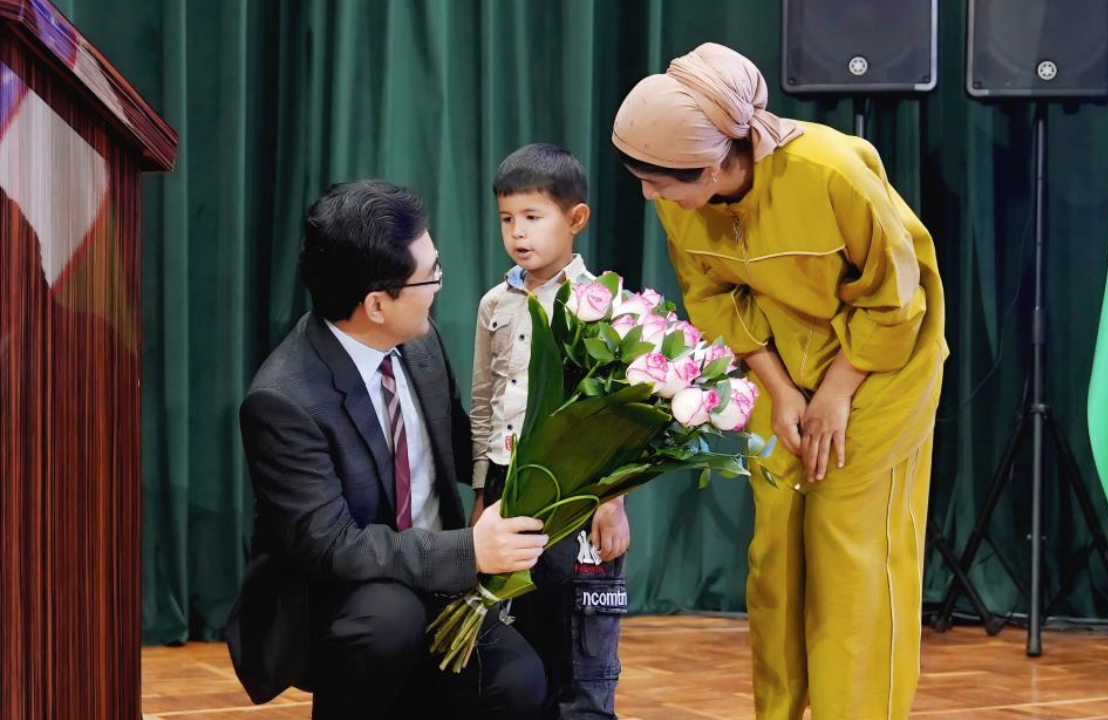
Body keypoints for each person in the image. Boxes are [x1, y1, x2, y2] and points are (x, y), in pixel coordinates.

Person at [612, 43, 948, 720]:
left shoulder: (832, 170)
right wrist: (785, 390)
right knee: (778, 550)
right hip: (782, 368)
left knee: (852, 557)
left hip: (880, 368)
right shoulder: (681, 198)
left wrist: (835, 394)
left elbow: (895, 299)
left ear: (712, 164)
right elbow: (712, 297)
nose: (649, 196)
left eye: (658, 182)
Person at [226, 179, 549, 720]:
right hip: (340, 599)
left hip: (435, 575)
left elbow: (458, 439)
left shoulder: (418, 340)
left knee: (519, 683)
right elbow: (334, 548)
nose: (440, 285)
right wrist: (469, 551)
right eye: (431, 275)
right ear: (377, 303)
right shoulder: (282, 400)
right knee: (389, 618)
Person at [469, 144, 629, 719]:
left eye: (533, 217)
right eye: (507, 219)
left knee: (583, 638)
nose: (518, 233)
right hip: (512, 484)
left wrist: (610, 500)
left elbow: (619, 413)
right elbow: (485, 401)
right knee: (522, 628)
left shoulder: (602, 302)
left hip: (579, 489)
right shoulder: (495, 303)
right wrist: (483, 493)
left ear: (576, 219)